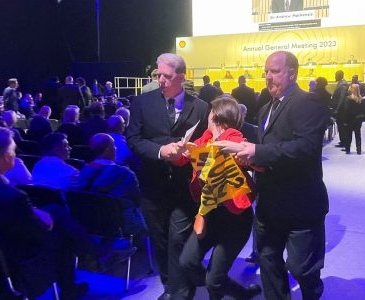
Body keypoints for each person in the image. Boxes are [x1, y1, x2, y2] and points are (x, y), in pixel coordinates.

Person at [216, 51, 329, 300]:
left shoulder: (307, 102)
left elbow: (305, 148)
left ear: (292, 73)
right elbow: (268, 149)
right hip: (269, 203)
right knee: (268, 260)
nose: (268, 76)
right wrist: (251, 159)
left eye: (274, 71)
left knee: (301, 268)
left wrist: (257, 151)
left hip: (301, 203)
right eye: (265, 71)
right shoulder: (266, 107)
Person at [126, 53, 208, 300]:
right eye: (157, 75)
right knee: (160, 241)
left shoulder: (201, 107)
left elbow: (205, 146)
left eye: (166, 76)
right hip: (153, 186)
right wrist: (162, 151)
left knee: (178, 240)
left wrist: (190, 153)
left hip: (184, 187)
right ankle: (169, 285)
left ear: (181, 77)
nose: (160, 80)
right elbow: (133, 139)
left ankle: (179, 292)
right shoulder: (142, 103)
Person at [0, 127, 88, 298]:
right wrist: (45, 221)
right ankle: (69, 289)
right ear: (6, 156)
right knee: (63, 236)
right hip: (12, 265)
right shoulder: (13, 197)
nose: (14, 154)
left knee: (54, 212)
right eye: (13, 150)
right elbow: (38, 236)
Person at [177, 96, 261, 299]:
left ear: (214, 115)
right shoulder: (204, 139)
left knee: (214, 280)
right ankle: (233, 290)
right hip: (209, 215)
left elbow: (256, 160)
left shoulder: (234, 138)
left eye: (209, 112)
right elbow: (181, 159)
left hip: (235, 219)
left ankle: (224, 287)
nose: (207, 116)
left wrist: (240, 152)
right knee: (187, 263)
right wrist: (180, 150)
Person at [344, 84, 365, 154]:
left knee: (348, 135)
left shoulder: (348, 98)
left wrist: (345, 120)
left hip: (350, 119)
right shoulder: (361, 99)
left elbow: (346, 110)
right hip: (358, 120)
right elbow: (363, 111)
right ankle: (359, 150)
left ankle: (347, 149)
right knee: (358, 135)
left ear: (352, 89)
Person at [332, 70, 349, 148]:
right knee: (340, 126)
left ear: (340, 75)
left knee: (342, 126)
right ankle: (342, 141)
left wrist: (337, 109)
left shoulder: (343, 84)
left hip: (342, 110)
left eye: (336, 75)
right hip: (340, 109)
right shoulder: (340, 83)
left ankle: (344, 142)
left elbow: (342, 98)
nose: (335, 76)